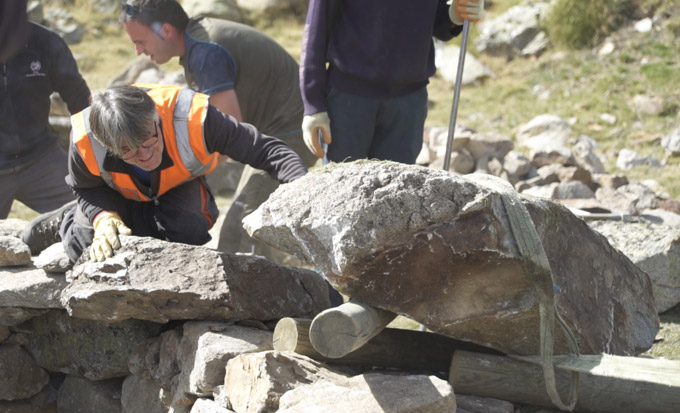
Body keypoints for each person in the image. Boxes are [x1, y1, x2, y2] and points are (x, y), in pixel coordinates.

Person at [118, 0, 317, 261]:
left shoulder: (204, 51)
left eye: (140, 41)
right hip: (276, 132)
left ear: (165, 31)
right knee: (244, 221)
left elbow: (225, 130)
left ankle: (259, 294)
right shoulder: (198, 40)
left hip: (289, 135)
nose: (137, 51)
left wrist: (174, 176)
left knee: (243, 224)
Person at [21, 84, 307, 263]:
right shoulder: (85, 139)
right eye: (129, 151)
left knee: (189, 226)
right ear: (107, 144)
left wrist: (305, 190)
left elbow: (267, 151)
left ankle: (129, 223)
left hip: (174, 189)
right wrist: (102, 217)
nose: (144, 155)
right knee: (87, 248)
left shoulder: (194, 118)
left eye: (149, 140)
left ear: (156, 118)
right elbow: (85, 187)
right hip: (112, 195)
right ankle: (68, 219)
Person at [300, 0, 484, 163]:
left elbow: (435, 23)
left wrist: (455, 15)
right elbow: (317, 28)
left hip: (409, 103)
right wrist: (313, 105)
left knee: (395, 195)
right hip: (348, 100)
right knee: (339, 192)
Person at [1, 20, 91, 220]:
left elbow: (80, 99)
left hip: (42, 160)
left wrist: (91, 156)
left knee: (93, 212)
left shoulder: (45, 42)